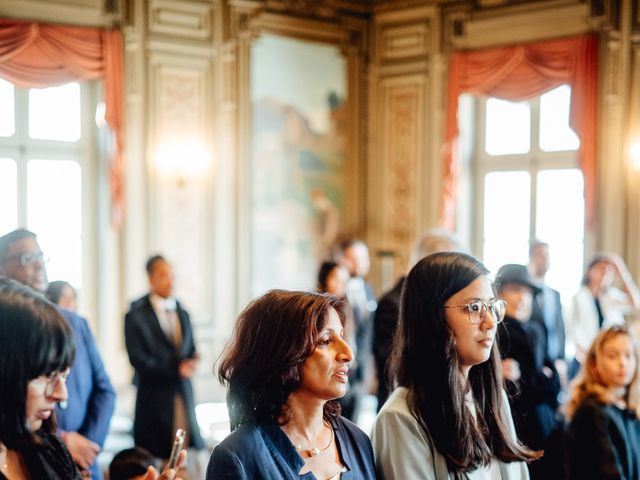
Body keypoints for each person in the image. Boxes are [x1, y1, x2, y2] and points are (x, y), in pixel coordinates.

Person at [372, 252, 539, 479]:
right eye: (473, 308)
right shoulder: (401, 417)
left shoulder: (493, 398)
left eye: (491, 307)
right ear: (432, 316)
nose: (490, 323)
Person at [0, 278, 186, 480]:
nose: (62, 394)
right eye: (47, 376)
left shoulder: (50, 450)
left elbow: (104, 389)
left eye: (64, 376)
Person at [206, 290, 376, 479]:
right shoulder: (239, 457)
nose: (348, 354)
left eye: (342, 337)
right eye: (326, 340)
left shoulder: (358, 442)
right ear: (284, 353)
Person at [0, 229, 115, 479]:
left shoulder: (74, 324)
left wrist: (85, 445)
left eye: (40, 255)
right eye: (26, 257)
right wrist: (64, 438)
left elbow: (104, 389)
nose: (38, 264)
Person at [124, 255, 204, 467]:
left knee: (182, 456)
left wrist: (193, 360)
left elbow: (191, 347)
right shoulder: (135, 315)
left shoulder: (182, 311)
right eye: (164, 276)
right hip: (153, 398)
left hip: (182, 395)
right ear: (151, 279)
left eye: (172, 275)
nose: (171, 281)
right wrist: (175, 370)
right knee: (153, 460)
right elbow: (138, 360)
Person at [373, 228, 461, 409]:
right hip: (402, 405)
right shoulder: (392, 303)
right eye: (450, 266)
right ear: (429, 263)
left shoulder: (438, 300)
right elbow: (393, 361)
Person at [496, 264, 562, 478]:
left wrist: (534, 379)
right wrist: (541, 378)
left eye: (527, 292)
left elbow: (555, 384)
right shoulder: (495, 331)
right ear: (499, 292)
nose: (522, 298)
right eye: (515, 289)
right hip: (514, 429)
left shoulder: (536, 330)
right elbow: (515, 393)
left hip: (546, 427)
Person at [565, 325, 640, 480]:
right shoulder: (592, 411)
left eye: (628, 355)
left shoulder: (629, 410)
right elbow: (608, 473)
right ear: (594, 364)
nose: (622, 363)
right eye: (613, 356)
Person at [567, 253, 640, 376]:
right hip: (585, 359)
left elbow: (635, 304)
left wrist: (622, 273)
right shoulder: (578, 298)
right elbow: (573, 332)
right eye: (601, 269)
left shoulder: (611, 296)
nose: (605, 274)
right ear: (590, 272)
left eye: (609, 271)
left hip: (610, 358)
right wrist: (587, 358)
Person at [336, 239, 377, 421]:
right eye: (354, 258)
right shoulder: (337, 291)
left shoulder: (369, 291)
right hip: (341, 364)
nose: (360, 263)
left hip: (362, 369)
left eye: (363, 258)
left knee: (356, 421)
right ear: (344, 260)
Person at [528, 241, 566, 373]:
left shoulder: (555, 294)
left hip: (555, 363)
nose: (545, 259)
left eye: (547, 255)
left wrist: (561, 358)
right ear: (531, 258)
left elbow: (559, 328)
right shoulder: (525, 293)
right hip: (533, 363)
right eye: (540, 255)